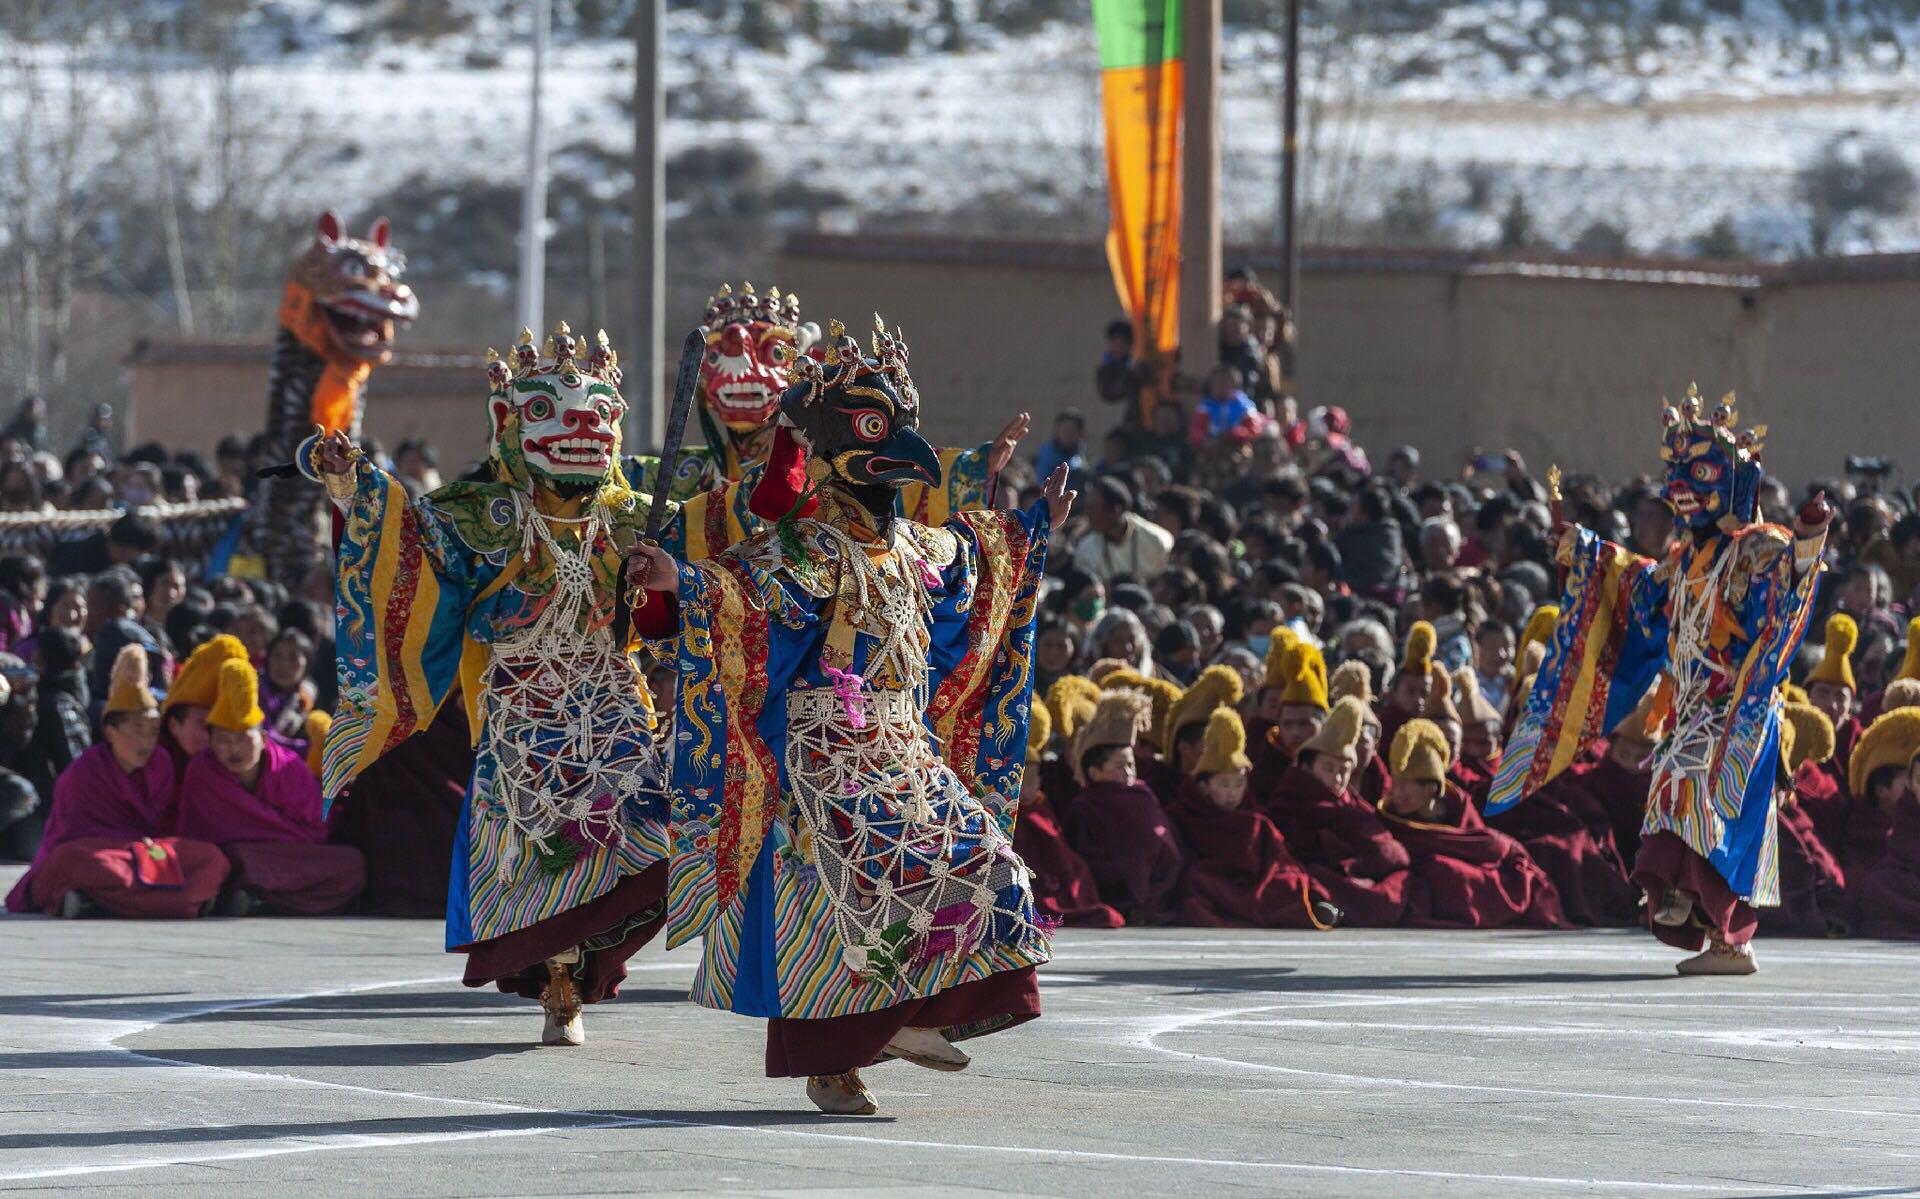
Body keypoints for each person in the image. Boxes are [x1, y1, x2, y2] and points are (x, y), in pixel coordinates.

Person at [629, 315, 1069, 1116]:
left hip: (906, 747)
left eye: (904, 425)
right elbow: (743, 602)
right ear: (829, 453)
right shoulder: (802, 549)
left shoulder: (920, 550)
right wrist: (679, 582)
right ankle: (841, 1059)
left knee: (993, 868)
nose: (904, 446)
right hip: (822, 757)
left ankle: (906, 1017)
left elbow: (981, 565)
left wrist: (1033, 526)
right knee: (834, 908)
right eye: (877, 427)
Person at [307, 323, 672, 1047]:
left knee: (656, 831)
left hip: (613, 700)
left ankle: (583, 962)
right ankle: (560, 979)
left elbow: (701, 564)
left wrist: (665, 579)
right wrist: (353, 484)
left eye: (597, 415)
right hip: (523, 707)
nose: (581, 429)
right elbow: (411, 545)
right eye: (553, 415)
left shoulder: (635, 513)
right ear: (509, 423)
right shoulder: (479, 513)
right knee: (546, 850)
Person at [1490, 387, 1830, 975]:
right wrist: (1587, 550)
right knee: (1671, 791)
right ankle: (1692, 909)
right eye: (1675, 473)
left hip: (1738, 707)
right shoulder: (1685, 556)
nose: (1679, 486)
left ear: (1729, 481)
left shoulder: (1757, 548)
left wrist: (1804, 550)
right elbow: (1640, 588)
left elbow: (1786, 593)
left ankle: (1725, 933)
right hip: (1691, 709)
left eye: (1696, 472)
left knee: (1700, 794)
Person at [5, 646, 228, 918]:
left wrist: (149, 850)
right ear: (109, 730)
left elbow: (166, 828)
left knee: (212, 857)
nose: (145, 742)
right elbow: (68, 836)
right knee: (70, 860)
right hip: (101, 855)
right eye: (137, 730)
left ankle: (97, 902)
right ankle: (175, 901)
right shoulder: (85, 770)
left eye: (152, 731)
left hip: (143, 856)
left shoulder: (162, 763)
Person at [177, 659, 365, 916]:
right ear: (211, 742)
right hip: (239, 860)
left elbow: (318, 830)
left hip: (290, 858)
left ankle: (262, 900)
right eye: (223, 740)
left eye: (243, 738)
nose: (233, 750)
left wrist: (278, 843)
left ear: (264, 738)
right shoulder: (202, 771)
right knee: (227, 860)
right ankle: (276, 899)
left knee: (351, 863)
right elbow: (194, 832)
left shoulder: (289, 767)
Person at [1382, 719, 1568, 930]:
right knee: (1446, 871)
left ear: (1431, 789)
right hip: (1434, 873)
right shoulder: (1389, 816)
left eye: (1406, 787)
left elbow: (1481, 844)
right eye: (1395, 784)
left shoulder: (1457, 805)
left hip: (1475, 866)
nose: (1396, 794)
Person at [1169, 706, 1338, 929]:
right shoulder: (1184, 813)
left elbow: (1279, 859)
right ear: (1204, 786)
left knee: (1290, 882)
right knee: (1195, 883)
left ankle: (1314, 905)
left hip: (1256, 884)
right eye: (1224, 784)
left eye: (1238, 784)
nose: (1232, 793)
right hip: (1215, 881)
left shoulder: (1256, 820)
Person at [1063, 685, 1186, 929]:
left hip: (1156, 883)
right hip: (1111, 884)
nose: (1128, 773)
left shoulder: (1142, 793)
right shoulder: (1086, 804)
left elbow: (1162, 836)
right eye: (1119, 766)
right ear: (1094, 772)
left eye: (1131, 765)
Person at [1012, 702, 1122, 929]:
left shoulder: (1040, 805)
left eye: (1036, 779)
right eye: (1027, 781)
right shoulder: (1021, 814)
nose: (1034, 786)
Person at [1071, 475, 1172, 583]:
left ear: (1116, 510)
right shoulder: (1086, 550)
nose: (1087, 515)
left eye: (1092, 508)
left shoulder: (1156, 540)